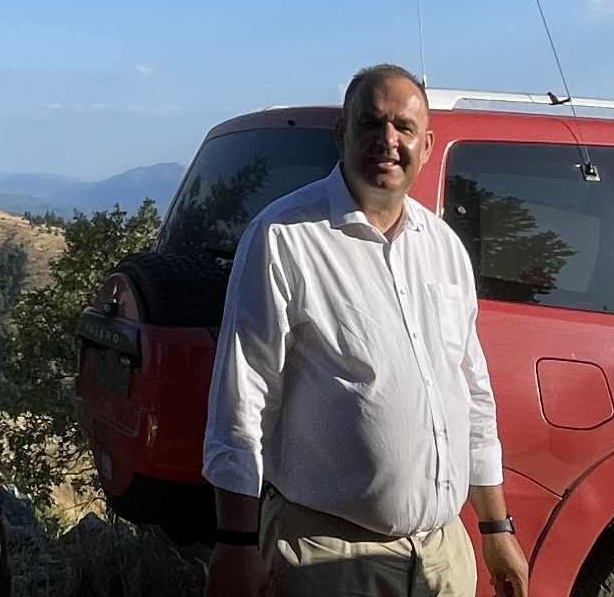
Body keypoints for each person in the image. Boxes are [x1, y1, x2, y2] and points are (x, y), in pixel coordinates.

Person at [203, 64, 530, 597]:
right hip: (330, 557)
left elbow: (472, 393)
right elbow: (243, 399)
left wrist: (496, 528)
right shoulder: (285, 237)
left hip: (443, 555)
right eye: (372, 124)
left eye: (404, 127)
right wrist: (236, 544)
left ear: (427, 146)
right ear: (343, 133)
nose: (388, 141)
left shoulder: (444, 247)